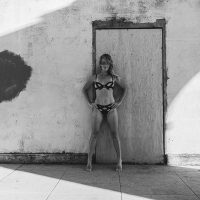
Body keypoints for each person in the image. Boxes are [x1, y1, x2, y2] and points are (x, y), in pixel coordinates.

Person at [83, 54, 126, 172]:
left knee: (114, 134)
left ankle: (119, 161)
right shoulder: (94, 77)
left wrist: (119, 102)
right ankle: (89, 162)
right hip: (98, 108)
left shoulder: (114, 78)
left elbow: (125, 88)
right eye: (102, 63)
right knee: (94, 134)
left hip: (111, 108)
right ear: (100, 64)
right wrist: (90, 103)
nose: (104, 65)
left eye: (107, 63)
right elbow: (84, 89)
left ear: (110, 64)